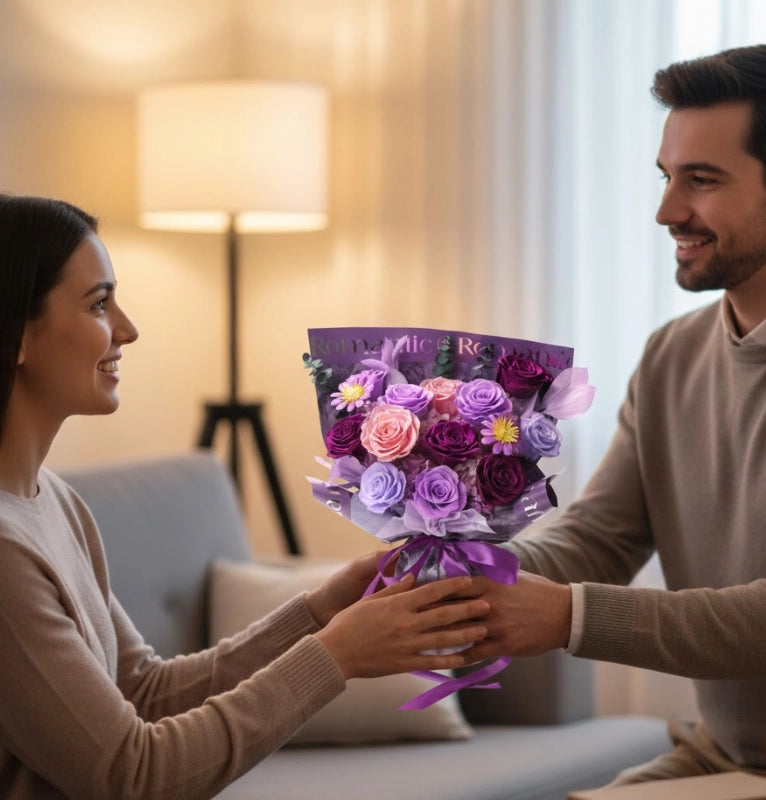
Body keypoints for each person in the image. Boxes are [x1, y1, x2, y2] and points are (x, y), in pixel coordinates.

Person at [0, 193, 491, 800]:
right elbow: (133, 775)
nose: (128, 328)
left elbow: (144, 692)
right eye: (100, 303)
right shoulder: (5, 555)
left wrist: (319, 612)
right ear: (17, 334)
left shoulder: (56, 502)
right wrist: (334, 656)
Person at [462, 43, 766, 783]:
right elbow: (602, 534)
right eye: (667, 177)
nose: (667, 211)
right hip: (729, 754)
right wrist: (475, 576)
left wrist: (566, 616)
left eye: (702, 181)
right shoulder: (672, 356)